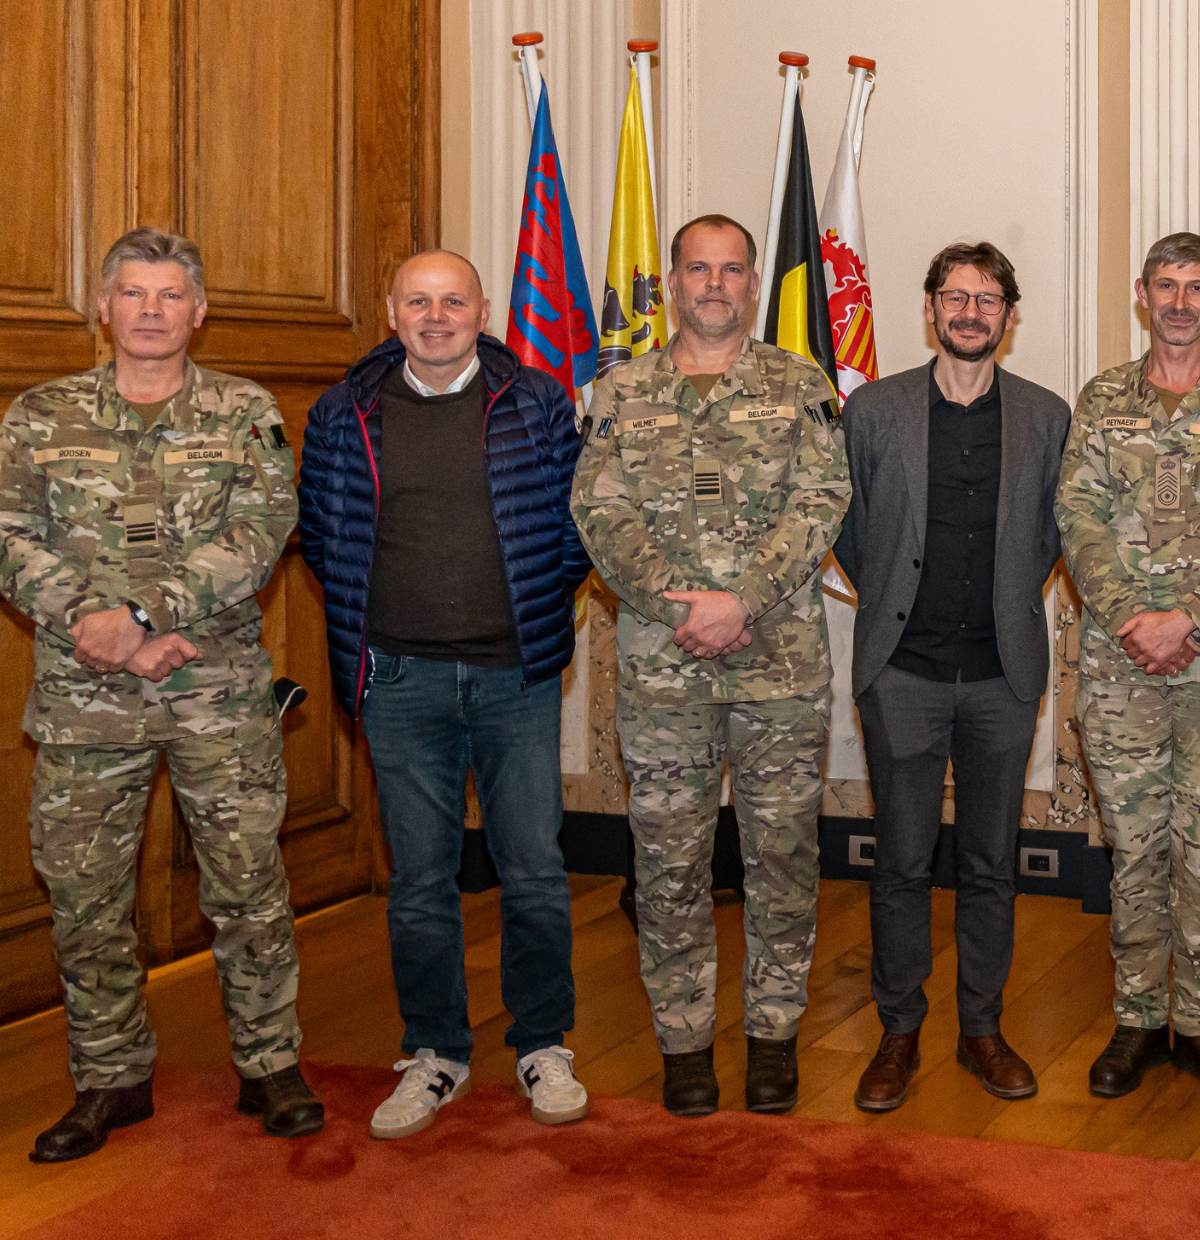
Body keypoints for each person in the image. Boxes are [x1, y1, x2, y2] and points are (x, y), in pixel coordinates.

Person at [0, 227, 319, 1162]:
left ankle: (270, 1062)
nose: (152, 311)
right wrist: (102, 626)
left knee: (247, 887)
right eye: (134, 294)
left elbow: (262, 531)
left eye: (171, 296)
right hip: (87, 693)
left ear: (199, 311)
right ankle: (108, 1077)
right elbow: (8, 533)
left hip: (214, 689)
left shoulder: (245, 411)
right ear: (103, 306)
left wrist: (141, 611)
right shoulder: (41, 414)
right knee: (86, 897)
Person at [297, 250, 591, 1138]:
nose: (435, 315)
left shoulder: (536, 403)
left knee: (534, 870)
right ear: (390, 310)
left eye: (452, 300)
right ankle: (435, 1052)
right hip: (398, 679)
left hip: (517, 676)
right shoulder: (342, 411)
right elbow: (321, 533)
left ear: (481, 310)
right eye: (418, 300)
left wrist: (534, 611)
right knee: (420, 880)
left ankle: (543, 1043)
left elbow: (578, 526)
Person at [572, 214, 850, 1117]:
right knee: (670, 863)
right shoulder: (621, 391)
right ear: (674, 283)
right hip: (663, 670)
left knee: (782, 857)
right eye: (699, 269)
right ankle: (683, 1042)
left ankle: (773, 1035)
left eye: (733, 270)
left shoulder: (798, 383)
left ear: (754, 280)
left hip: (779, 667)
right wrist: (678, 606)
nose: (716, 285)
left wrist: (743, 600)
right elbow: (601, 515)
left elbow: (822, 501)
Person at [833, 242, 1070, 1111]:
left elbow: (1051, 538)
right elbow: (852, 530)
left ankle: (981, 1029)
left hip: (1003, 676)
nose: (971, 312)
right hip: (902, 672)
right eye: (955, 297)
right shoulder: (874, 410)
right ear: (930, 307)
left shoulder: (1048, 418)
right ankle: (898, 1032)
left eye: (989, 299)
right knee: (898, 861)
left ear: (1010, 316)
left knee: (989, 863)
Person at [1057, 232, 1200, 1100]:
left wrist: (1187, 618)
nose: (1181, 301)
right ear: (1143, 295)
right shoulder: (1104, 397)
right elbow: (1075, 516)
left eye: (1198, 287)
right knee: (1134, 844)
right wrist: (1130, 619)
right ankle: (1136, 1020)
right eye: (1166, 285)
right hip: (1121, 665)